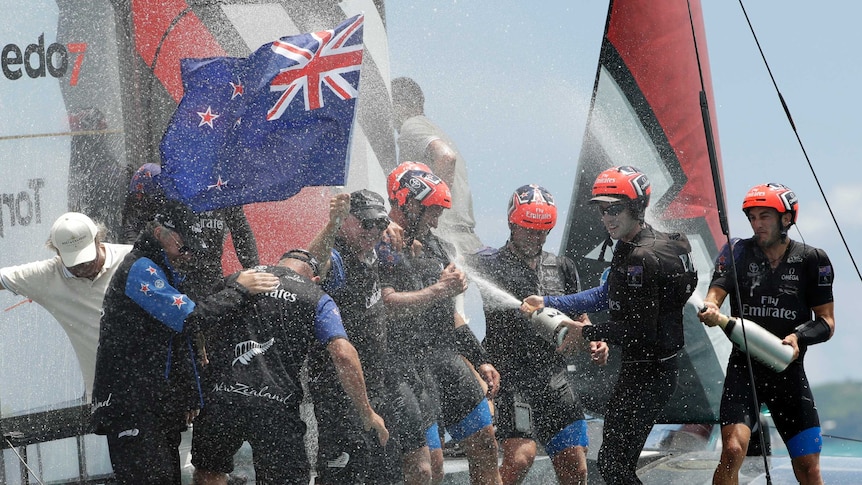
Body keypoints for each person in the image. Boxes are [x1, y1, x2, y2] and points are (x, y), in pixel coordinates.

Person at [523, 166, 697, 484]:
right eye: (603, 210)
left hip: (649, 376)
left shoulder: (643, 257)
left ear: (636, 207)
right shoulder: (638, 246)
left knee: (615, 467)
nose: (607, 218)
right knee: (613, 463)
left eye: (614, 209)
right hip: (640, 371)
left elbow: (639, 330)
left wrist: (585, 332)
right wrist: (549, 302)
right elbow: (606, 296)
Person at [89, 199, 279, 485]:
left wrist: (190, 393)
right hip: (131, 407)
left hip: (154, 407)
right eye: (184, 246)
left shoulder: (165, 266)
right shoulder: (141, 268)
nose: (188, 255)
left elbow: (179, 337)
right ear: (159, 232)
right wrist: (239, 288)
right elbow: (191, 319)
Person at [191, 249, 388, 485]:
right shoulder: (316, 296)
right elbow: (343, 353)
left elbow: (197, 317)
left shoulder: (239, 279)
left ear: (280, 264)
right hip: (275, 407)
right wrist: (367, 411)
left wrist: (201, 359)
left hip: (223, 399)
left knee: (209, 472)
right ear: (315, 278)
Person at [471, 184, 609, 485]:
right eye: (530, 229)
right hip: (512, 380)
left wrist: (595, 339)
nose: (538, 238)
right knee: (521, 457)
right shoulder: (488, 264)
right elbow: (451, 247)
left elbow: (579, 316)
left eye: (544, 230)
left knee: (576, 465)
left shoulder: (562, 266)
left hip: (554, 378)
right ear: (512, 223)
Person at [698, 183, 834, 485]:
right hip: (744, 369)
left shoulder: (812, 260)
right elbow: (716, 294)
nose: (757, 225)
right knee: (732, 450)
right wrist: (709, 307)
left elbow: (826, 322)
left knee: (808, 468)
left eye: (764, 217)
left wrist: (798, 337)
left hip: (788, 370)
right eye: (752, 218)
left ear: (786, 219)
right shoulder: (737, 252)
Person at [380, 163, 502, 485]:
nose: (436, 220)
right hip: (408, 364)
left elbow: (451, 314)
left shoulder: (435, 245)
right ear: (408, 202)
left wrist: (481, 359)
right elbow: (387, 305)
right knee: (430, 469)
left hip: (445, 357)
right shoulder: (382, 242)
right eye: (432, 211)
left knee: (486, 442)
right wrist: (440, 289)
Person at [307, 190, 432, 484]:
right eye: (365, 224)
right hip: (339, 392)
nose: (373, 231)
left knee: (386, 476)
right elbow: (313, 263)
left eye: (379, 224)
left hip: (376, 385)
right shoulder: (337, 256)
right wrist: (332, 223)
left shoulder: (373, 248)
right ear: (346, 222)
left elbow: (402, 229)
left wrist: (399, 233)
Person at [0, 211, 132, 398]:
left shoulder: (132, 259)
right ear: (57, 251)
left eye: (87, 259)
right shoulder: (48, 276)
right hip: (107, 399)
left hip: (154, 388)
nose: (82, 267)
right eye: (74, 262)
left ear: (97, 239)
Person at [392, 77, 483, 257]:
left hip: (445, 235)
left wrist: (434, 209)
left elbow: (446, 158)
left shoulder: (412, 126)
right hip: (465, 238)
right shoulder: (435, 130)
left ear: (400, 105)